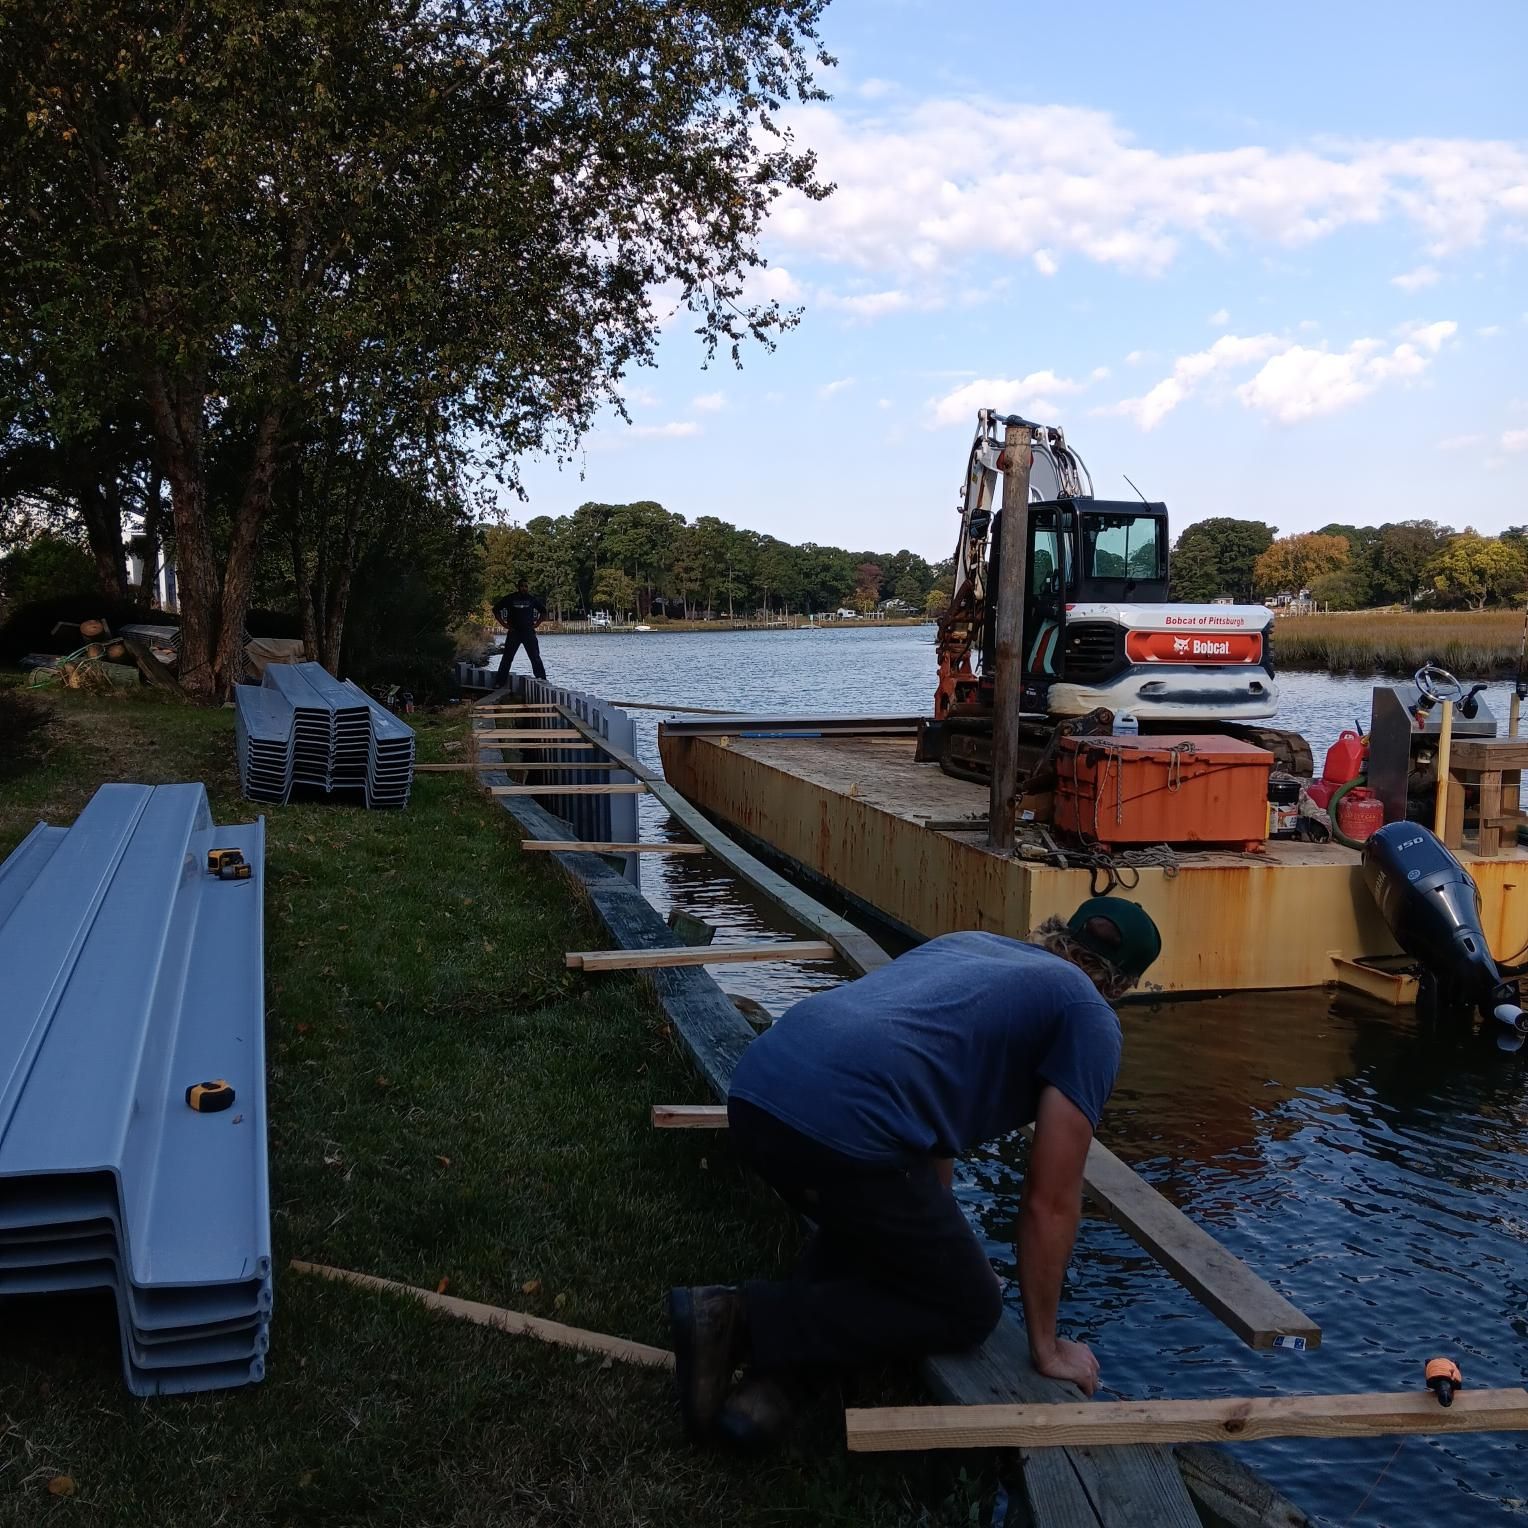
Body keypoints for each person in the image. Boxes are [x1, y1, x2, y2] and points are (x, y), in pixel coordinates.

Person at [666, 897, 1162, 1449]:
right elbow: (1049, 1200)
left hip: (759, 1094)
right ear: (1121, 987)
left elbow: (929, 1112)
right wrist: (1046, 1347)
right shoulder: (1090, 1015)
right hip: (840, 1128)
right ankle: (736, 1315)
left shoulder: (972, 945)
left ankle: (763, 1402)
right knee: (968, 1308)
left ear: (1057, 936)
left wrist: (939, 1252)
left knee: (877, 1241)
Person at [492, 578, 547, 684]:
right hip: (514, 632)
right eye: (522, 586)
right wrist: (504, 625)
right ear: (518, 587)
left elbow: (543, 612)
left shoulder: (532, 599)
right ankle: (499, 682)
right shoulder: (510, 598)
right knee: (507, 658)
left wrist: (536, 624)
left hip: (528, 632)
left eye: (526, 586)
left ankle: (542, 680)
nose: (524, 588)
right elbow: (495, 610)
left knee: (535, 657)